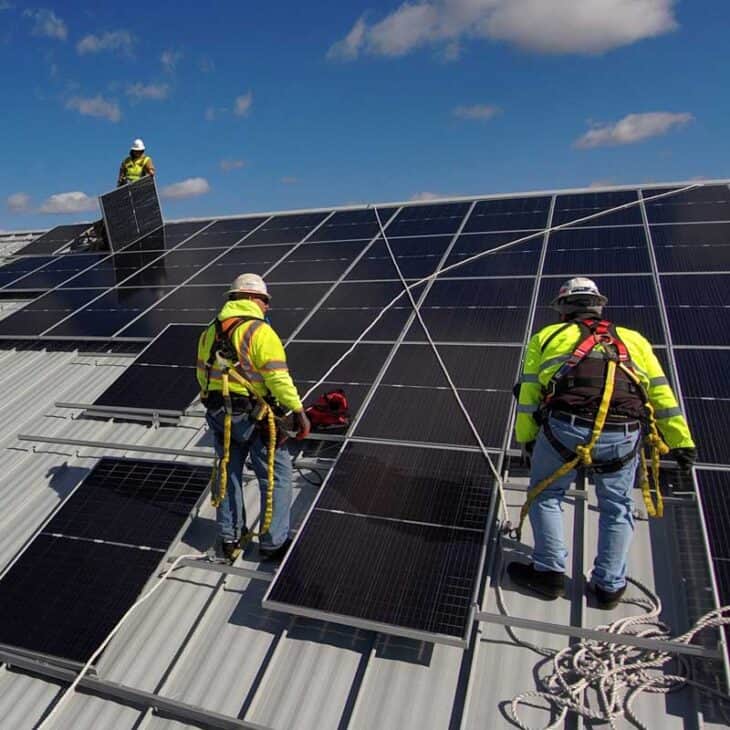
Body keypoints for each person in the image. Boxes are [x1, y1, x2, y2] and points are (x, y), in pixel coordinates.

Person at [510, 277, 696, 608]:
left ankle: (549, 573)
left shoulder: (547, 336)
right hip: (623, 435)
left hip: (563, 429)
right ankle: (609, 587)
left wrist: (526, 439)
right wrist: (681, 440)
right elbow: (659, 392)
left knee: (546, 494)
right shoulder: (633, 340)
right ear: (599, 306)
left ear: (564, 308)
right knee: (617, 505)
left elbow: (528, 395)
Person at [196, 273, 311, 562]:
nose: (267, 306)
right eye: (263, 300)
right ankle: (273, 543)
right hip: (256, 419)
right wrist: (298, 411)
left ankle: (229, 539)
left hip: (219, 416)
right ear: (249, 298)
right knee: (276, 477)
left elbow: (202, 375)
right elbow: (278, 378)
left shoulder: (210, 331)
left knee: (227, 474)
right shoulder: (259, 332)